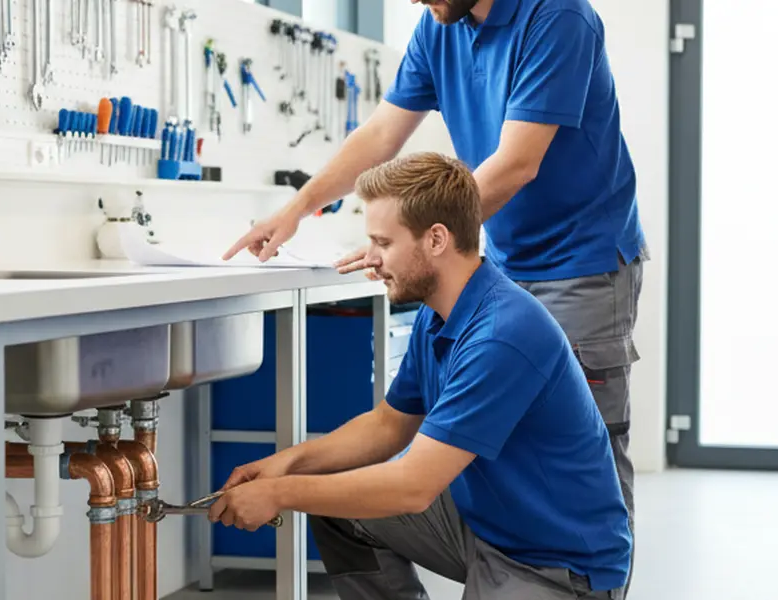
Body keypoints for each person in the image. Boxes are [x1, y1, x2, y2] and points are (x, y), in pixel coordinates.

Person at [222, 0, 645, 576]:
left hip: (582, 261)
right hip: (501, 255)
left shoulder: (556, 17)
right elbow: (381, 132)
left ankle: (576, 582)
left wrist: (418, 242)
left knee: (579, 455)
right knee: (495, 450)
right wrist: (299, 207)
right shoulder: (439, 26)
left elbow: (519, 164)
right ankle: (505, 561)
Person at [209, 153, 631, 599]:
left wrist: (282, 494)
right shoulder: (439, 314)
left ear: (435, 240)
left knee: (330, 493)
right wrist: (285, 464)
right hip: (488, 525)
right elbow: (388, 425)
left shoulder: (502, 336)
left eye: (383, 243)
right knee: (337, 508)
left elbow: (413, 487)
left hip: (556, 564)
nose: (370, 258)